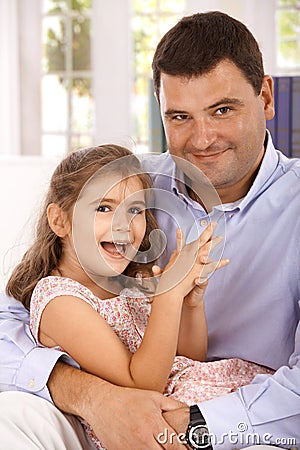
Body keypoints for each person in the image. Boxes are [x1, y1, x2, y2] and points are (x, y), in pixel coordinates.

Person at [0, 9, 299, 450]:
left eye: (222, 110)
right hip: (124, 409)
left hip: (245, 422)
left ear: (266, 99)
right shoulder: (132, 184)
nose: (201, 140)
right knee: (12, 416)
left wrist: (192, 425)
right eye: (179, 117)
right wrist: (95, 398)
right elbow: (14, 322)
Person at [6, 142, 268, 449]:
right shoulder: (59, 300)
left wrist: (190, 303)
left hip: (194, 396)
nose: (123, 224)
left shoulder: (132, 281)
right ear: (59, 221)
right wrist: (167, 298)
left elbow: (188, 358)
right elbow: (142, 384)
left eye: (135, 210)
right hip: (147, 420)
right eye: (104, 208)